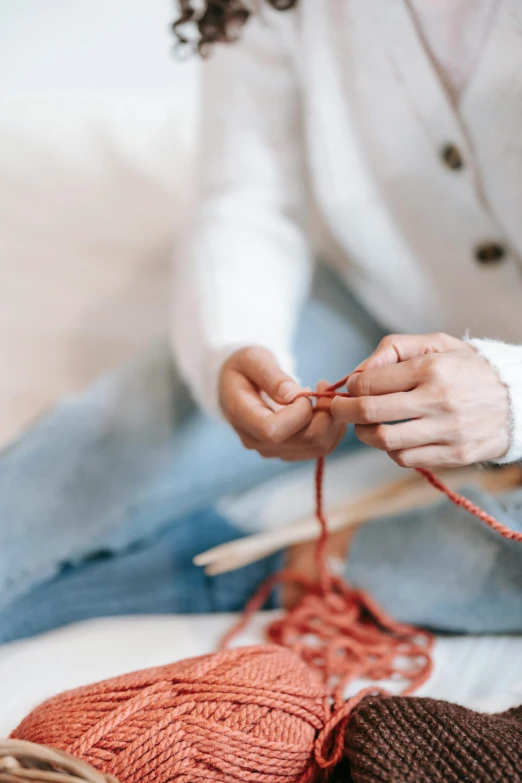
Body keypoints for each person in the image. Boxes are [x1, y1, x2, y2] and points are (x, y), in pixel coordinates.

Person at [1, 0, 522, 644]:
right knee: (96, 450)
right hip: (372, 293)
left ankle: (296, 567)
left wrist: (509, 395)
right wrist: (233, 342)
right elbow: (249, 197)